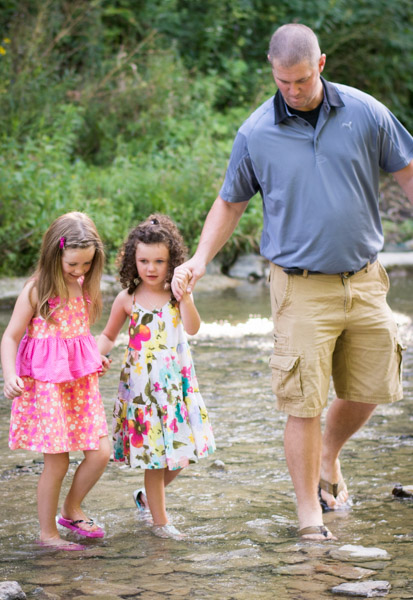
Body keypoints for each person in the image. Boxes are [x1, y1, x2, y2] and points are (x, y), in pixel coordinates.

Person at [171, 23, 413, 541]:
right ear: (272, 70)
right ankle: (309, 517)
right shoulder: (256, 132)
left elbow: (408, 169)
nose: (293, 90)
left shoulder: (367, 113)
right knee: (303, 401)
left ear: (320, 64)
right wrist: (201, 258)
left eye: (301, 80)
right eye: (283, 82)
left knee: (373, 386)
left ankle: (328, 454)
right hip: (300, 286)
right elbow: (230, 201)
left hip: (366, 279)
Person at [97, 214, 215, 540]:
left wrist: (186, 296)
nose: (151, 268)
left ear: (172, 261)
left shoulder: (177, 295)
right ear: (132, 261)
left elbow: (193, 328)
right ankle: (161, 523)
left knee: (181, 456)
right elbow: (108, 336)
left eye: (159, 261)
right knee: (156, 461)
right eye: (144, 261)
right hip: (143, 392)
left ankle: (147, 499)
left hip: (176, 388)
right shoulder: (128, 299)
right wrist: (91, 356)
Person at [1, 212, 111, 551]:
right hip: (48, 389)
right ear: (54, 254)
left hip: (81, 387)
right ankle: (48, 533)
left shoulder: (84, 286)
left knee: (101, 453)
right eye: (72, 264)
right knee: (58, 460)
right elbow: (10, 337)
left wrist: (94, 359)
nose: (79, 270)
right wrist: (9, 375)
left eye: (87, 264)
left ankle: (71, 508)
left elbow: (78, 338)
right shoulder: (37, 291)